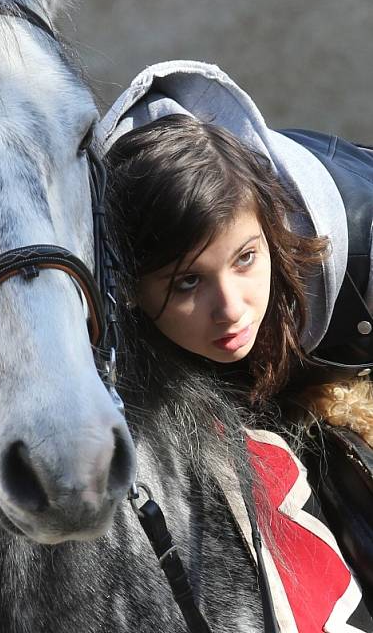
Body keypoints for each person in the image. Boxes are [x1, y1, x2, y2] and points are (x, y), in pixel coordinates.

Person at [102, 60, 373, 632]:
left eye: (245, 258)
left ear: (272, 226)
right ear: (128, 290)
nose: (230, 308)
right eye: (187, 282)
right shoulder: (106, 341)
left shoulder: (363, 249)